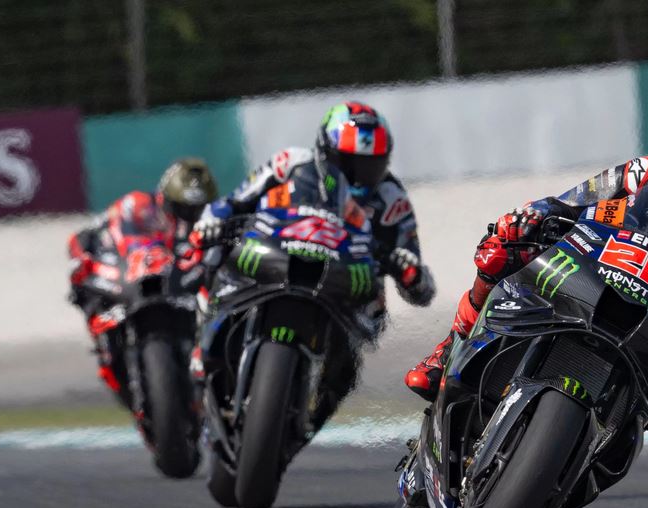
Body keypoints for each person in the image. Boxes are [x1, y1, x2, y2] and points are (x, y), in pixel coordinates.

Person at [405, 107, 648, 441]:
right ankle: (449, 348)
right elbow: (571, 201)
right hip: (601, 269)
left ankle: (600, 443)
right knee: (503, 246)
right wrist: (532, 218)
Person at [191, 101, 435, 308]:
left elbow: (422, 289)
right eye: (347, 164)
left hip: (346, 286)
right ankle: (206, 311)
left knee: (375, 309)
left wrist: (411, 275)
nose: (357, 178)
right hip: (274, 257)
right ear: (324, 152)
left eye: (370, 166)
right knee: (216, 253)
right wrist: (211, 224)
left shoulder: (392, 197)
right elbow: (232, 202)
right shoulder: (290, 163)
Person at [67, 158, 218, 395]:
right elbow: (93, 233)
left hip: (185, 289)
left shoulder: (214, 219)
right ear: (166, 198)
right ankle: (107, 348)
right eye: (182, 208)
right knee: (84, 287)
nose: (189, 216)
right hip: (134, 281)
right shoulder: (137, 206)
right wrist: (86, 254)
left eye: (197, 209)